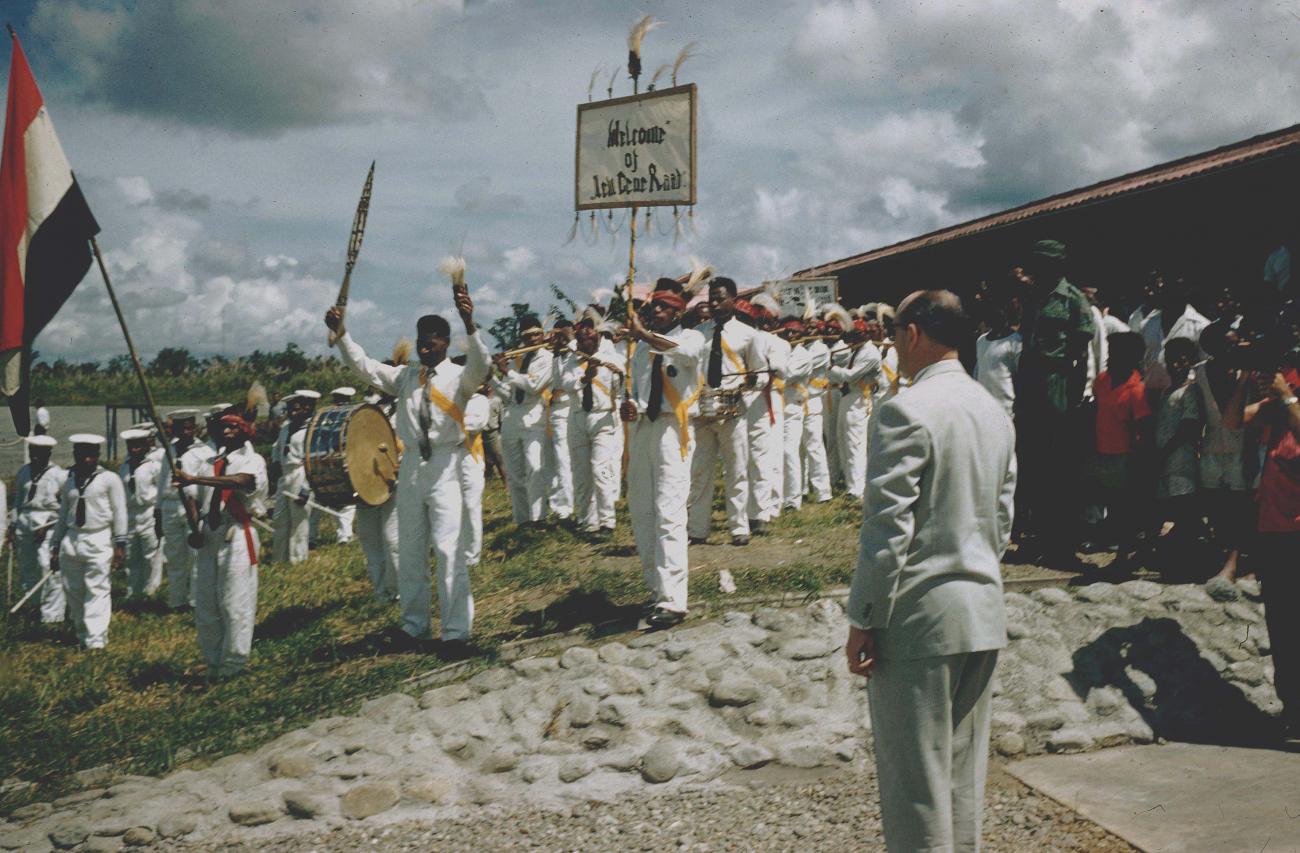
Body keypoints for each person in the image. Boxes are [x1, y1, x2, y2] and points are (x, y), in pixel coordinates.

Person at [844, 290, 1016, 851]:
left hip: (919, 617)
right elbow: (1002, 515)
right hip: (980, 609)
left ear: (913, 334)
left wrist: (865, 615)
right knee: (962, 782)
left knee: (915, 786)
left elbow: (887, 529)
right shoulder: (993, 409)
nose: (892, 346)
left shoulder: (906, 409)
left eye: (894, 334)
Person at [328, 280, 487, 648]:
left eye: (432, 338)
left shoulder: (460, 377)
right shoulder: (405, 379)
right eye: (421, 338)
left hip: (447, 466)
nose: (424, 343)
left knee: (449, 551)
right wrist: (341, 334)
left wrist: (470, 322)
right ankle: (414, 626)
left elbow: (483, 365)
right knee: (410, 550)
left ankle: (455, 632)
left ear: (446, 343)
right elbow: (364, 368)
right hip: (412, 467)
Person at [620, 286, 706, 628]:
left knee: (669, 512)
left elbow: (682, 354)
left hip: (674, 430)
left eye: (662, 308)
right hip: (643, 429)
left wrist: (645, 334)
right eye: (652, 307)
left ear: (677, 313)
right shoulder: (640, 348)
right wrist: (629, 407)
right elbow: (640, 392)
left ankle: (673, 600)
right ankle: (656, 592)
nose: (654, 311)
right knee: (642, 511)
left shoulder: (692, 337)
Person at [1013, 239, 1095, 564]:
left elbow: (1081, 355)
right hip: (1031, 384)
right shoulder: (1034, 297)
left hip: (1057, 384)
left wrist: (1074, 401)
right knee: (1033, 466)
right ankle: (1037, 536)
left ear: (1055, 266)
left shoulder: (1073, 300)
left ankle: (1062, 543)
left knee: (1059, 468)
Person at [1233, 366, 1300, 746]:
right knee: (1283, 629)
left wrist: (1288, 399)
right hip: (1274, 533)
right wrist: (1245, 381)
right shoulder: (1278, 410)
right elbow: (1233, 420)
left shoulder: (1290, 406)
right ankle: (1294, 711)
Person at [174, 412, 268, 680]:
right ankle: (213, 661)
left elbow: (242, 482)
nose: (226, 432)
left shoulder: (252, 459)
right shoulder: (207, 462)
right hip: (209, 535)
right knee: (206, 603)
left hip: (236, 533)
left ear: (243, 430)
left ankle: (234, 663)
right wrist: (195, 528)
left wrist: (194, 480)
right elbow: (192, 498)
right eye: (221, 428)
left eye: (232, 427)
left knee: (234, 602)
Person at [687, 277, 763, 546]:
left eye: (720, 298)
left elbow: (760, 374)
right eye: (711, 299)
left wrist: (747, 385)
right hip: (703, 410)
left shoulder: (748, 335)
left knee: (737, 470)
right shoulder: (698, 334)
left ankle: (739, 527)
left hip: (733, 411)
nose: (715, 303)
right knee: (699, 472)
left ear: (733, 299)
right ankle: (697, 529)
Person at [50, 435, 128, 650]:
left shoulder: (109, 479)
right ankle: (81, 633)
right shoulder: (69, 479)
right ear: (75, 455)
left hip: (98, 536)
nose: (87, 460)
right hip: (72, 539)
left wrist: (120, 544)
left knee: (97, 589)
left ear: (97, 456)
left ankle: (95, 640)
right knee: (73, 590)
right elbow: (63, 514)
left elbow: (120, 511)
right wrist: (55, 546)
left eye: (92, 455)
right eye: (82, 455)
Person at [1196, 323, 1256, 601]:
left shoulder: (1249, 373)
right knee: (1216, 505)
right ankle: (1222, 558)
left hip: (1241, 448)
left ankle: (1234, 562)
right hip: (1211, 449)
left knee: (1240, 506)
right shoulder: (1200, 373)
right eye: (1230, 344)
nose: (1236, 348)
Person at [1091, 332, 1153, 559]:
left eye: (1115, 354)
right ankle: (1110, 539)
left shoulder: (1137, 390)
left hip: (1124, 456)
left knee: (1123, 506)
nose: (1109, 357)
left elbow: (1143, 429)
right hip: (1101, 452)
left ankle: (1124, 552)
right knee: (1106, 501)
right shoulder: (1101, 380)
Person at [566, 315, 623, 538]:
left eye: (589, 337)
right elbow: (566, 385)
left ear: (597, 337)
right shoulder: (572, 360)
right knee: (581, 473)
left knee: (601, 470)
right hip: (578, 417)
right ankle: (588, 521)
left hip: (602, 418)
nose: (584, 342)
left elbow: (620, 389)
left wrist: (617, 374)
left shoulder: (612, 358)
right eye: (580, 339)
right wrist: (585, 377)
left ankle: (607, 522)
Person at [494, 315, 553, 526]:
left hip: (533, 415)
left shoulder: (547, 358)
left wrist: (506, 371)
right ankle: (522, 519)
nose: (534, 339)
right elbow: (508, 393)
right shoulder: (518, 358)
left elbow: (534, 386)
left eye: (538, 334)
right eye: (529, 336)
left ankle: (539, 518)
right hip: (512, 415)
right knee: (515, 472)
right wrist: (491, 378)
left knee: (534, 466)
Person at [1149, 337, 1203, 567]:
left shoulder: (1189, 391)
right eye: (1172, 361)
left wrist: (1166, 450)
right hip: (1165, 460)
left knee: (1183, 508)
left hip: (1181, 460)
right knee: (1169, 505)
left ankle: (1187, 556)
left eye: (1182, 362)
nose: (1176, 366)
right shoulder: (1166, 391)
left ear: (1191, 363)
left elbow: (1188, 427)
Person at [155, 409, 213, 609]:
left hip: (192, 506)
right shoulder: (169, 451)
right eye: (181, 428)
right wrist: (157, 510)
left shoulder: (204, 452)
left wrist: (203, 511)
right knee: (174, 556)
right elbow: (163, 481)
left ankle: (196, 599)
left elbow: (207, 484)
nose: (186, 432)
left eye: (190, 428)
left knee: (196, 555)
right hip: (170, 505)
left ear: (195, 428)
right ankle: (176, 599)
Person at [12, 435, 69, 623]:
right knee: (29, 567)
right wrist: (14, 525)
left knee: (47, 567)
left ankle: (53, 615)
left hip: (48, 525)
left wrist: (49, 524)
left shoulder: (58, 475)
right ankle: (35, 606)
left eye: (41, 453)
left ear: (49, 453)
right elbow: (17, 502)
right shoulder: (24, 472)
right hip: (25, 522)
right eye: (33, 452)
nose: (36, 457)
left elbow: (65, 508)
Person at [828, 316, 883, 500]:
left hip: (859, 399)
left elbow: (851, 376)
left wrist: (831, 369)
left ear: (862, 334)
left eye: (853, 334)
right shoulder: (856, 350)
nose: (848, 338)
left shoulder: (870, 353)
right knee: (843, 440)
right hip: (848, 397)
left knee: (855, 443)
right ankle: (851, 483)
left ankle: (857, 488)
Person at [357, 386, 400, 602]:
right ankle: (381, 592)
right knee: (369, 538)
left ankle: (398, 590)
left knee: (393, 540)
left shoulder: (407, 408)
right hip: (366, 482)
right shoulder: (366, 411)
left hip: (395, 483)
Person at [1139, 272, 1209, 396]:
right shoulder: (1147, 325)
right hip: (1148, 395)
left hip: (1183, 398)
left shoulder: (1201, 327)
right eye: (1161, 287)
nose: (1162, 291)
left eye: (1169, 288)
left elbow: (1204, 369)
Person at [270, 390, 318, 564]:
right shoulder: (286, 427)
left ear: (306, 408)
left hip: (301, 474)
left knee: (299, 521)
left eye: (297, 409)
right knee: (280, 519)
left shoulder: (312, 429)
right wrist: (275, 462)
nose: (292, 413)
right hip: (285, 475)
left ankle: (297, 559)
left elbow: (314, 461)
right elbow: (276, 447)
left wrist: (306, 487)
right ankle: (279, 559)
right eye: (290, 409)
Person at [119, 428, 163, 598]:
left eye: (138, 446)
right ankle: (133, 590)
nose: (134, 449)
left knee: (150, 553)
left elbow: (160, 491)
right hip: (130, 514)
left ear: (146, 446)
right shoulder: (124, 467)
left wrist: (159, 515)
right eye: (131, 446)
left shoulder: (154, 466)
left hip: (148, 512)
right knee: (132, 555)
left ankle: (150, 590)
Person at [777, 317, 812, 513]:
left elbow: (786, 374)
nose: (790, 336)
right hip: (777, 406)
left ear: (802, 334)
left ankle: (793, 499)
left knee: (790, 452)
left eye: (795, 332)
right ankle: (779, 497)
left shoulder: (804, 355)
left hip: (793, 408)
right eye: (787, 332)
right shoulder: (783, 349)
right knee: (777, 453)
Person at [800, 317, 834, 504]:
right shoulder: (803, 347)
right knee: (799, 448)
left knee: (814, 446)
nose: (810, 330)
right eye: (807, 327)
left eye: (814, 328)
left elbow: (804, 365)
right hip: (798, 400)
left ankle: (823, 491)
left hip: (813, 400)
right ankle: (801, 489)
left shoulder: (821, 349)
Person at [545, 318, 576, 523]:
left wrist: (570, 339)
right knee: (556, 460)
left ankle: (566, 506)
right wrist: (556, 351)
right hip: (555, 410)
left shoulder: (575, 351)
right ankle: (558, 503)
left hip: (567, 408)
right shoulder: (558, 354)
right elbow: (555, 379)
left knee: (565, 459)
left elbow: (566, 381)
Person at [459, 387, 490, 568]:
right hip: (448, 460)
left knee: (471, 507)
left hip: (471, 459)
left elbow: (475, 425)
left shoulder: (479, 400)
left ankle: (472, 556)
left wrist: (449, 422)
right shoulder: (451, 397)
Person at [328, 386, 358, 544]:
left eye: (343, 400)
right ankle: (343, 532)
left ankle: (345, 534)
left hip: (350, 458)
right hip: (334, 459)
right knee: (337, 496)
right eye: (338, 400)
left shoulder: (354, 415)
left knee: (349, 498)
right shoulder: (330, 417)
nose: (340, 403)